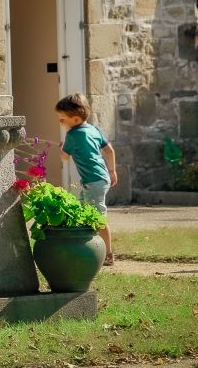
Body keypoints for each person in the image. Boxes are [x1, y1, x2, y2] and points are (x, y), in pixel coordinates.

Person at [55, 92, 118, 266]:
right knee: (83, 212)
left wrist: (62, 149)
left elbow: (64, 157)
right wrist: (112, 171)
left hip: (93, 181)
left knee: (98, 218)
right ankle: (88, 248)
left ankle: (108, 255)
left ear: (75, 119)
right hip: (101, 178)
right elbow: (109, 150)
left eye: (62, 119)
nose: (60, 122)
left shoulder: (72, 135)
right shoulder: (94, 129)